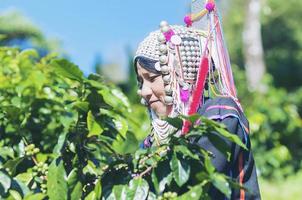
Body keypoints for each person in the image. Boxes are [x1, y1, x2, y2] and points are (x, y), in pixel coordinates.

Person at [133, 1, 261, 199]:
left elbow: (194, 186)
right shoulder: (150, 143)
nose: (144, 91)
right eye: (141, 82)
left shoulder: (219, 114)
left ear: (181, 75)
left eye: (151, 78)